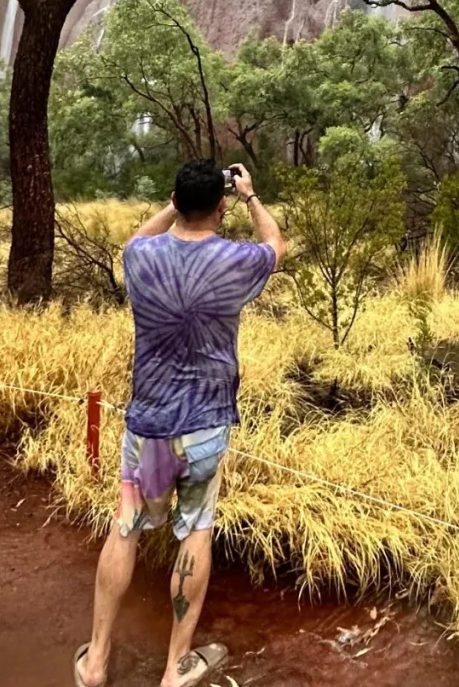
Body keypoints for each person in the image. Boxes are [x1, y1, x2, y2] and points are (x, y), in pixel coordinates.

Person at [75, 160, 286, 687]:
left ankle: (96, 661)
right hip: (206, 424)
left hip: (148, 424)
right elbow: (276, 246)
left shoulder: (142, 257)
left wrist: (172, 203)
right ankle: (175, 669)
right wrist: (250, 197)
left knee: (126, 526)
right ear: (219, 206)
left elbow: (134, 237)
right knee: (195, 530)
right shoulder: (236, 260)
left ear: (175, 199)